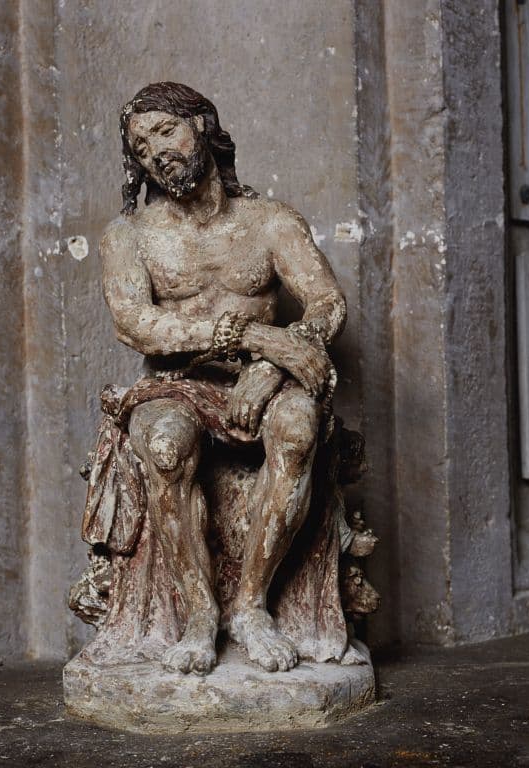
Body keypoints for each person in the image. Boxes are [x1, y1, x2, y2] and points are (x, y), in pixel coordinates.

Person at [99, 82, 358, 675]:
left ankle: (250, 607)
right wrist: (252, 337)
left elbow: (327, 304)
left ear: (203, 125)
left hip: (262, 381)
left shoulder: (270, 222)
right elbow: (136, 325)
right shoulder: (130, 236)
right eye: (141, 147)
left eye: (165, 131)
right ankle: (198, 614)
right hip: (176, 383)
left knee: (298, 427)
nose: (156, 152)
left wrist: (270, 366)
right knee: (166, 446)